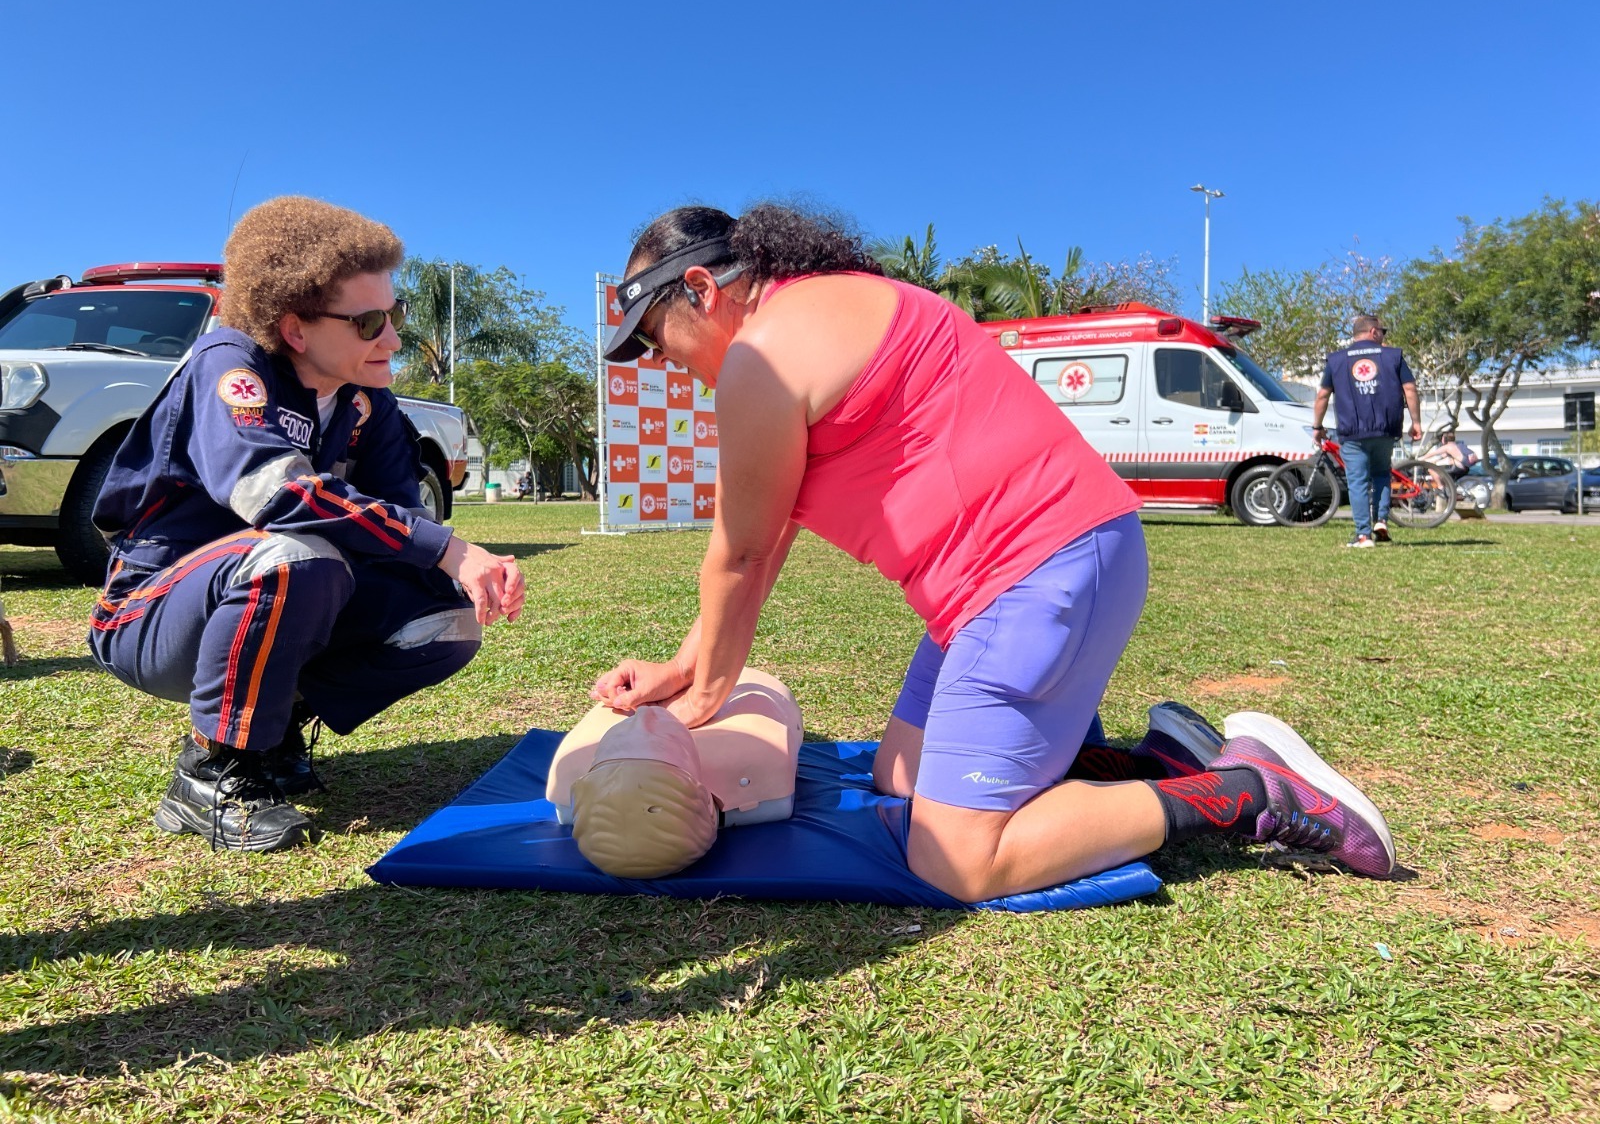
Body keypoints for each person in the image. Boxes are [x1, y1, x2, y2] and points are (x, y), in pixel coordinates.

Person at [590, 204, 1394, 902]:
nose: (672, 367)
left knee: (956, 861)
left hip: (1036, 584)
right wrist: (685, 667)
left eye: (661, 341)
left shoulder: (761, 359)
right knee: (898, 777)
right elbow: (761, 544)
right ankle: (1152, 761)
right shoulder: (843, 299)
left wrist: (705, 698)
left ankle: (1248, 790)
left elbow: (741, 557)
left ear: (700, 290)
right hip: (1035, 578)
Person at [88, 196, 525, 853]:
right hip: (149, 615)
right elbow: (276, 493)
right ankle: (211, 771)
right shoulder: (230, 365)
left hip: (272, 589)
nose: (394, 339)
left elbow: (398, 516)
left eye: (395, 313)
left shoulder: (366, 400)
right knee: (298, 553)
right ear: (295, 330)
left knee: (447, 617)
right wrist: (446, 545)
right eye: (370, 321)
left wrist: (455, 566)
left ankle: (271, 728)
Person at [1311, 314, 1423, 548]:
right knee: (1382, 473)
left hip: (1352, 431)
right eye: (1383, 331)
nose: (1384, 336)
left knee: (1358, 481)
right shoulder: (1393, 356)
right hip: (1385, 429)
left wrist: (1317, 427)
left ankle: (1363, 535)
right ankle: (1381, 520)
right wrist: (1416, 422)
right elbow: (1410, 389)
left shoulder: (1336, 360)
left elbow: (1322, 395)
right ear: (1373, 332)